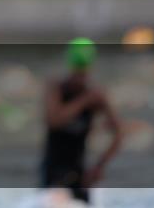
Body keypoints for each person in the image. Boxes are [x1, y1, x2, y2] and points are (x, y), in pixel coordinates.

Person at [41, 38, 123, 204]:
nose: (79, 76)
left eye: (82, 72)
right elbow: (54, 121)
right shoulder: (57, 89)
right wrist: (84, 101)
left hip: (79, 172)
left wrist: (99, 167)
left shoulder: (96, 96)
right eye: (77, 72)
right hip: (53, 171)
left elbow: (118, 134)